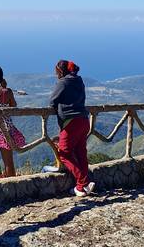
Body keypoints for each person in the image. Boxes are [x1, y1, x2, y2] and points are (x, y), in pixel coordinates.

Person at [50, 60, 95, 196]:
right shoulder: (79, 81)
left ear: (60, 71)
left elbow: (52, 101)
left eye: (56, 71)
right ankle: (84, 185)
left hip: (71, 122)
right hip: (84, 120)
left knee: (64, 154)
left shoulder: (63, 82)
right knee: (81, 152)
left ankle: (82, 184)